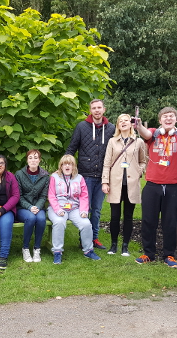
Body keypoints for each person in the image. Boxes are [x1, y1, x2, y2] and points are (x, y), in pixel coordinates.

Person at [134, 107, 177, 268]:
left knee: (170, 223)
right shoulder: (154, 134)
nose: (168, 118)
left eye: (171, 116)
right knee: (148, 221)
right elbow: (146, 134)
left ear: (176, 120)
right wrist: (138, 125)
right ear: (160, 120)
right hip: (152, 186)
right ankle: (148, 253)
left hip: (173, 187)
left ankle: (169, 255)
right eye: (165, 116)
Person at [65, 99, 115, 249]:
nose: (97, 110)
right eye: (94, 108)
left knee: (97, 210)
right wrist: (65, 165)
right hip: (85, 175)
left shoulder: (111, 128)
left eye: (99, 107)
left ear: (104, 109)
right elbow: (72, 148)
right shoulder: (82, 127)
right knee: (85, 208)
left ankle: (94, 238)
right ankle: (84, 239)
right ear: (90, 110)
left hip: (102, 176)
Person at [101, 114, 147, 256]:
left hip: (131, 184)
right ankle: (114, 244)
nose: (123, 123)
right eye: (120, 121)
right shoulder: (112, 141)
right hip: (115, 184)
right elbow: (107, 163)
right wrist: (105, 181)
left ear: (131, 123)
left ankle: (125, 246)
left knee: (128, 216)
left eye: (126, 120)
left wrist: (139, 171)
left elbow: (143, 161)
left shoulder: (138, 141)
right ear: (118, 125)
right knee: (115, 216)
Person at [48, 155, 101, 264]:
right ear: (61, 166)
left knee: (86, 223)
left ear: (74, 166)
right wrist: (58, 210)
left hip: (74, 208)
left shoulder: (79, 178)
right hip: (57, 207)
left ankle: (88, 251)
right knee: (59, 222)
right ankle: (57, 252)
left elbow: (84, 196)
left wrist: (83, 211)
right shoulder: (54, 177)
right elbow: (51, 195)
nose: (67, 166)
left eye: (70, 164)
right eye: (65, 164)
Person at [15, 149, 50, 263]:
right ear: (27, 160)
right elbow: (18, 196)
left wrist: (37, 207)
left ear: (39, 160)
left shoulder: (45, 176)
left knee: (40, 218)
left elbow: (43, 196)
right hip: (23, 207)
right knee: (30, 218)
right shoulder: (19, 174)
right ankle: (25, 248)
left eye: (35, 158)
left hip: (38, 206)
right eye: (30, 158)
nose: (33, 160)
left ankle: (37, 248)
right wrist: (30, 207)